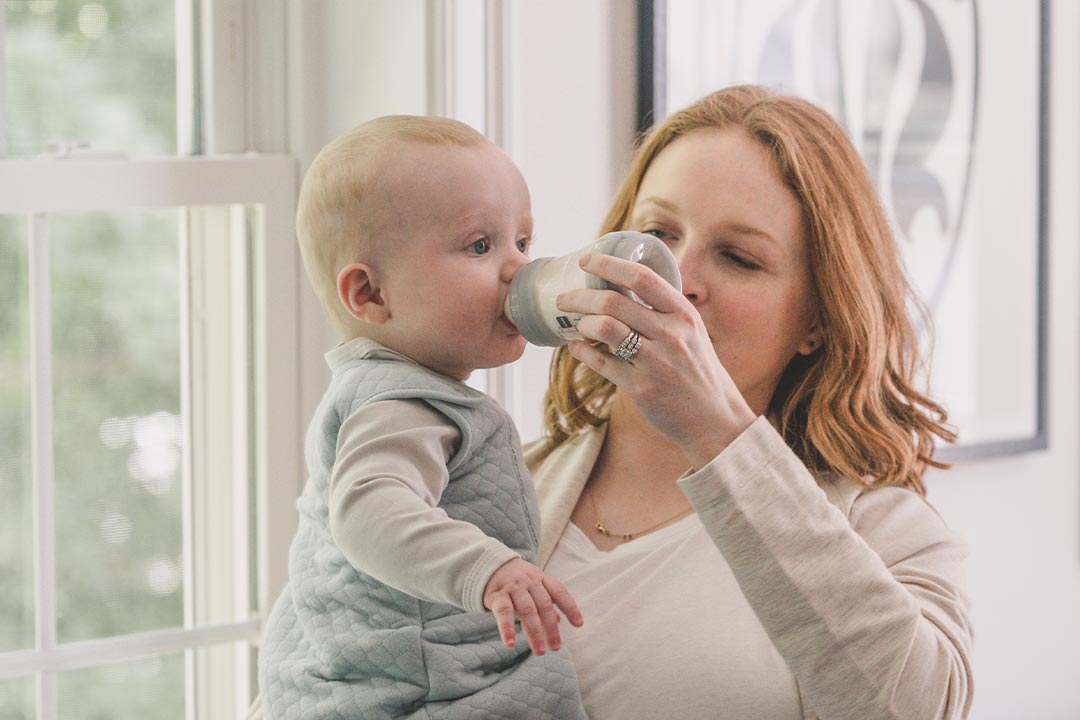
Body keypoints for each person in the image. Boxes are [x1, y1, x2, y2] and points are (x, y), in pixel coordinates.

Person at [527, 85, 974, 720]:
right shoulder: (502, 481)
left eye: (738, 257)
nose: (670, 280)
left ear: (815, 321)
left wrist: (716, 430)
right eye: (655, 231)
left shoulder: (885, 532)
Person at [254, 115, 586, 720]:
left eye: (524, 242)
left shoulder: (396, 390)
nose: (518, 270)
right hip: (422, 693)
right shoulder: (404, 404)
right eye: (480, 246)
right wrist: (488, 568)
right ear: (370, 295)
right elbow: (369, 509)